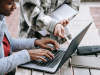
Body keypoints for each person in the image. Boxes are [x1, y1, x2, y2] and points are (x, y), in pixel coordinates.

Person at [0, 0, 60, 75]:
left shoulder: (1, 17)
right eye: (9, 3)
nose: (15, 7)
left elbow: (7, 43)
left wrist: (35, 42)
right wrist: (26, 55)